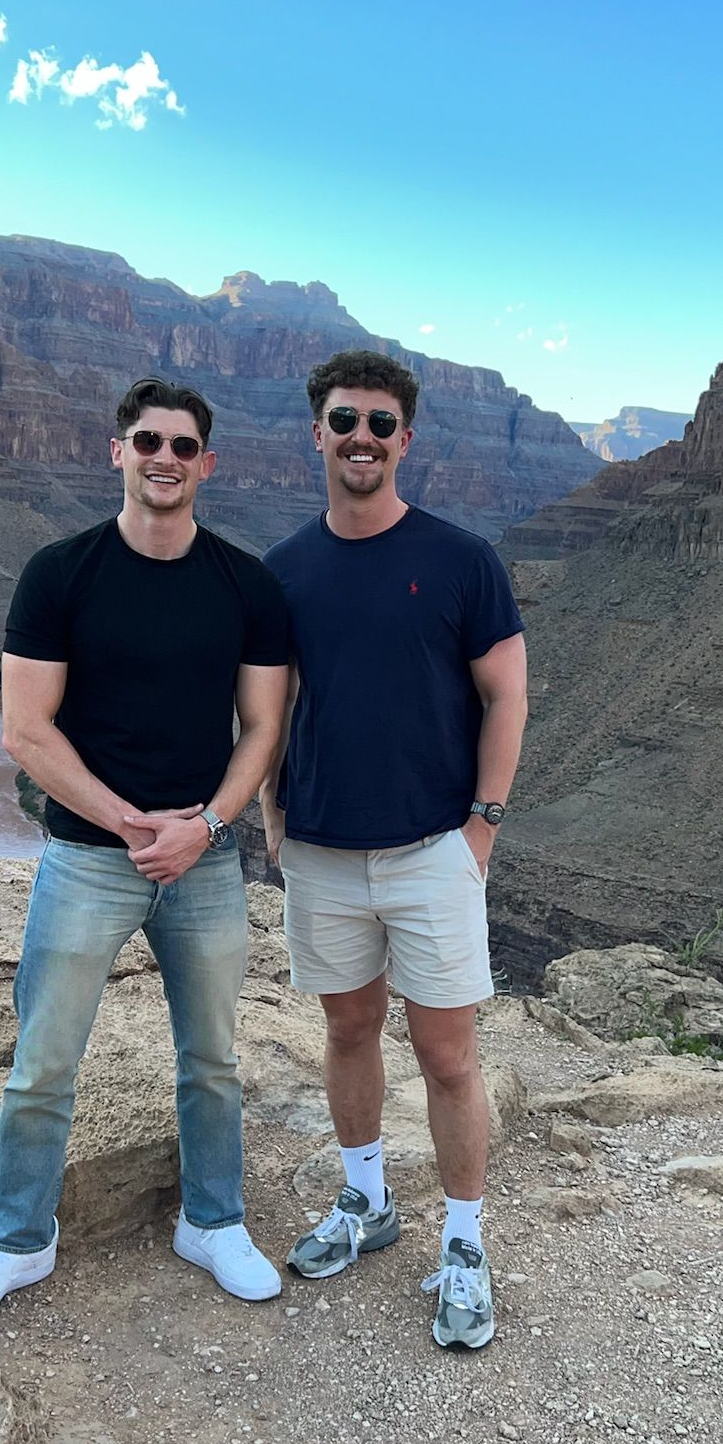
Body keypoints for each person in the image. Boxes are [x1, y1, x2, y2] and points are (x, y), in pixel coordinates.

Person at [0, 376, 290, 1326]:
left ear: (206, 464)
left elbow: (262, 727)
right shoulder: (60, 572)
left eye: (182, 445)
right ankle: (17, 1239)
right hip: (90, 857)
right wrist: (132, 823)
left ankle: (212, 1221)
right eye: (147, 441)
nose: (164, 457)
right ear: (117, 452)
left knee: (211, 1055)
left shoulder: (246, 584)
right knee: (45, 1057)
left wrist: (205, 827)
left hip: (207, 862)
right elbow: (26, 730)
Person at [259, 349, 528, 1349]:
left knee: (449, 1056)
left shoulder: (463, 559)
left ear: (404, 439)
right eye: (344, 420)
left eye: (380, 422)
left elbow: (507, 693)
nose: (361, 436)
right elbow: (270, 706)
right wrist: (273, 821)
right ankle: (367, 1202)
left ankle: (464, 1243)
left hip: (431, 850)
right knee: (347, 1029)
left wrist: (482, 827)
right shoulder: (283, 569)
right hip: (324, 848)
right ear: (316, 433)